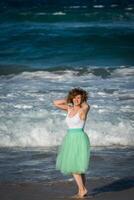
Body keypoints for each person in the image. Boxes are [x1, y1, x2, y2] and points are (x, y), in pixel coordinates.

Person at [53, 87, 91, 198]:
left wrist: (79, 101)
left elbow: (87, 106)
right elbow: (55, 103)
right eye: (75, 97)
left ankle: (82, 190)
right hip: (69, 138)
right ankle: (82, 190)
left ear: (82, 98)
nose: (76, 99)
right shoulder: (69, 108)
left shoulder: (83, 109)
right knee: (78, 167)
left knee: (75, 167)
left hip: (79, 138)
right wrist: (69, 101)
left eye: (79, 97)